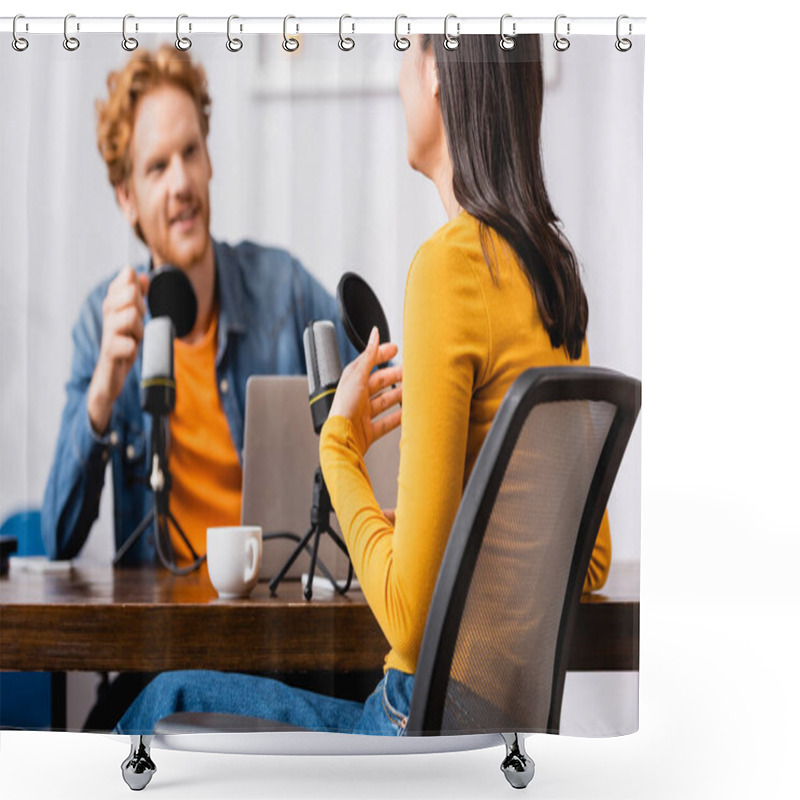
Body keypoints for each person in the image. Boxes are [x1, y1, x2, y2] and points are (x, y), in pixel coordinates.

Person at [115, 33, 611, 736]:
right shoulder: (553, 275)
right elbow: (589, 558)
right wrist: (448, 542)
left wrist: (338, 450)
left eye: (409, 50)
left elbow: (406, 617)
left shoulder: (447, 269)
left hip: (412, 739)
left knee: (164, 703)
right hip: (498, 745)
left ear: (438, 72)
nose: (400, 74)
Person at [42, 45, 354, 567]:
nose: (181, 183)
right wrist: (101, 393)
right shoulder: (104, 325)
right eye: (157, 167)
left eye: (190, 152)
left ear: (209, 160)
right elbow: (58, 536)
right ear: (126, 198)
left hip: (274, 616)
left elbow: (385, 404)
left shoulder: (284, 288)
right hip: (164, 635)